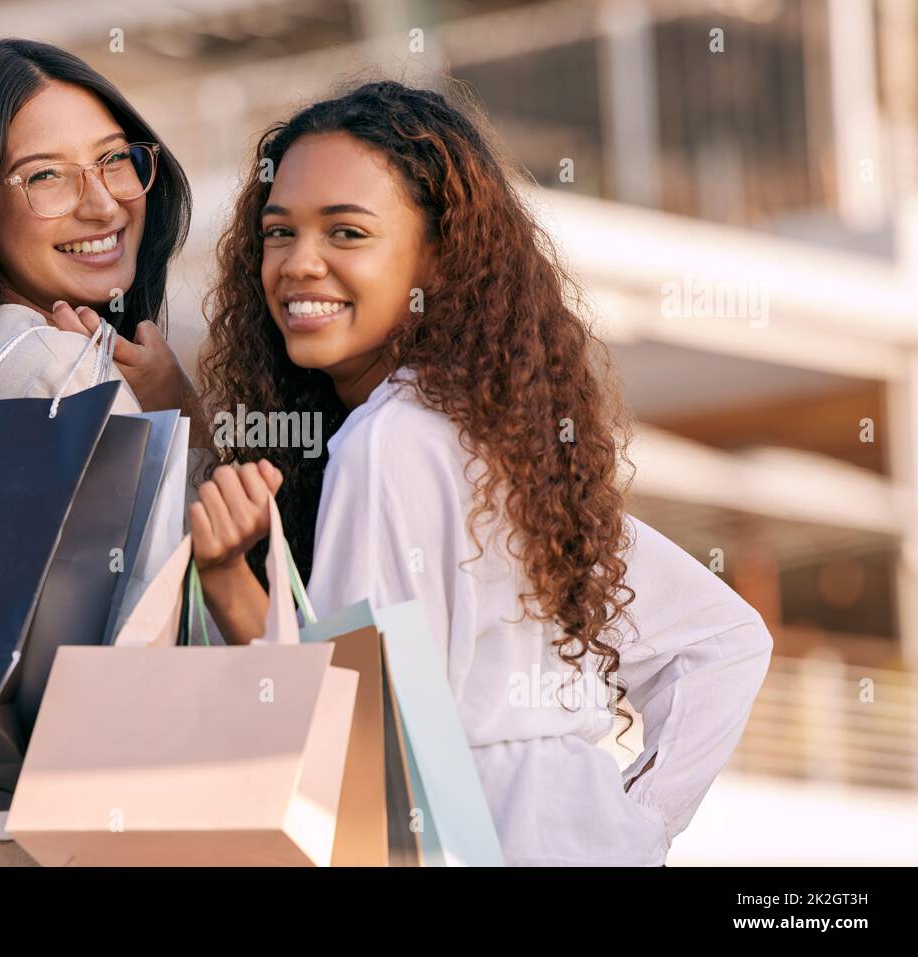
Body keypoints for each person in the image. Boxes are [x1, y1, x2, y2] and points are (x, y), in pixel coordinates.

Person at [190, 81, 774, 865]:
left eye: (347, 232)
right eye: (278, 231)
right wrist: (635, 819)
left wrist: (228, 578)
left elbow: (351, 748)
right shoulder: (501, 449)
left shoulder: (387, 442)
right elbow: (723, 640)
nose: (300, 263)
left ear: (441, 252)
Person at [0, 37, 195, 866]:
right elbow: (168, 646)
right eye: (46, 175)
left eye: (113, 161)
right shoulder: (65, 372)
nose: (103, 204)